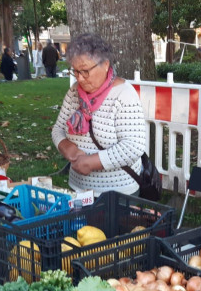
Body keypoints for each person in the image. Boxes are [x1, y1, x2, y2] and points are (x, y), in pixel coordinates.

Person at [51, 33, 145, 196]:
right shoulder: (74, 92)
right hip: (78, 189)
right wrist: (69, 149)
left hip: (116, 193)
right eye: (75, 71)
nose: (80, 78)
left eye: (85, 71)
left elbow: (133, 146)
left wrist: (92, 162)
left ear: (106, 64)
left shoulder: (124, 95)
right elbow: (58, 129)